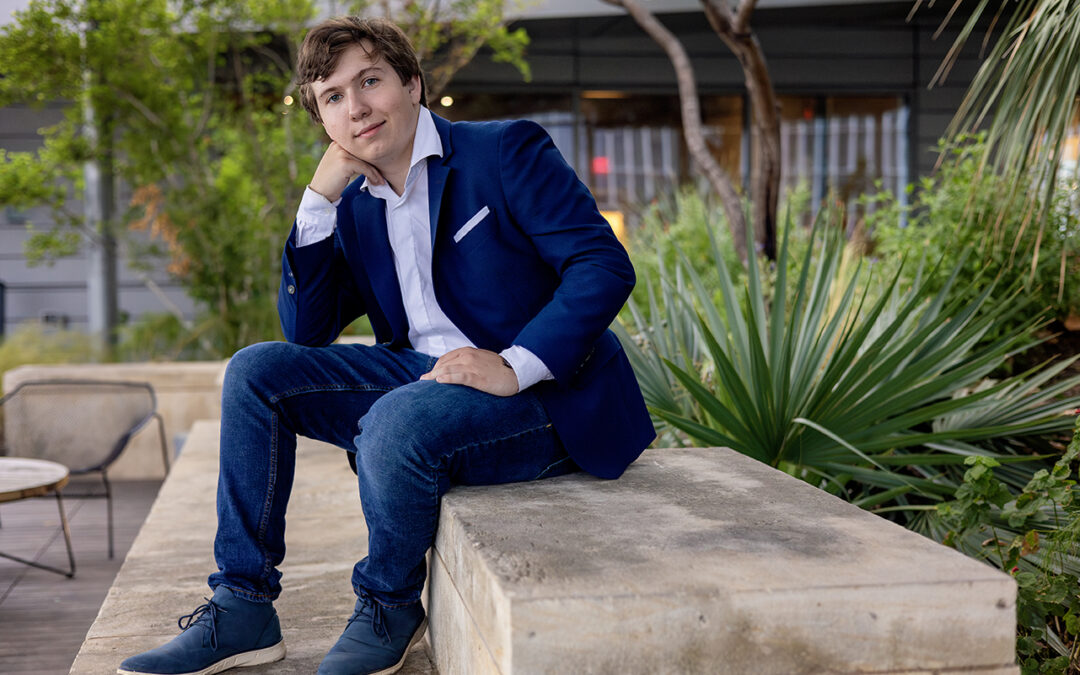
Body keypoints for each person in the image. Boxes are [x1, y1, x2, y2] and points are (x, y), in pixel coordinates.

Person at [118, 15, 654, 675]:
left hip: (545, 395)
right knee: (256, 371)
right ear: (323, 121)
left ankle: (388, 605)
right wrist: (317, 200)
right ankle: (242, 606)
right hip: (427, 378)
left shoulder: (503, 151)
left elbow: (601, 263)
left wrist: (514, 366)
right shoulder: (356, 205)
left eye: (370, 81)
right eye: (333, 97)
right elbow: (306, 331)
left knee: (395, 419)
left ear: (412, 83)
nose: (357, 107)